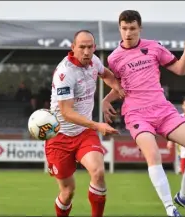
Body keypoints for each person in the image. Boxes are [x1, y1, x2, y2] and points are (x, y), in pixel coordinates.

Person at [102, 10, 185, 217]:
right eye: (124, 28)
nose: (128, 33)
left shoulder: (153, 47)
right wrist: (106, 100)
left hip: (163, 109)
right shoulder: (114, 58)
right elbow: (118, 87)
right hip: (136, 114)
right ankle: (171, 209)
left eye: (132, 28)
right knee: (153, 154)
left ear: (140, 28)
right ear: (119, 29)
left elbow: (180, 70)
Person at [45, 30, 125, 217]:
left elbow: (107, 75)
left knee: (98, 173)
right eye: (82, 47)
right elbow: (66, 112)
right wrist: (98, 126)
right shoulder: (65, 73)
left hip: (84, 133)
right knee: (67, 192)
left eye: (90, 47)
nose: (86, 51)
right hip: (59, 137)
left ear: (94, 47)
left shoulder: (94, 61)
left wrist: (116, 91)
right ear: (73, 48)